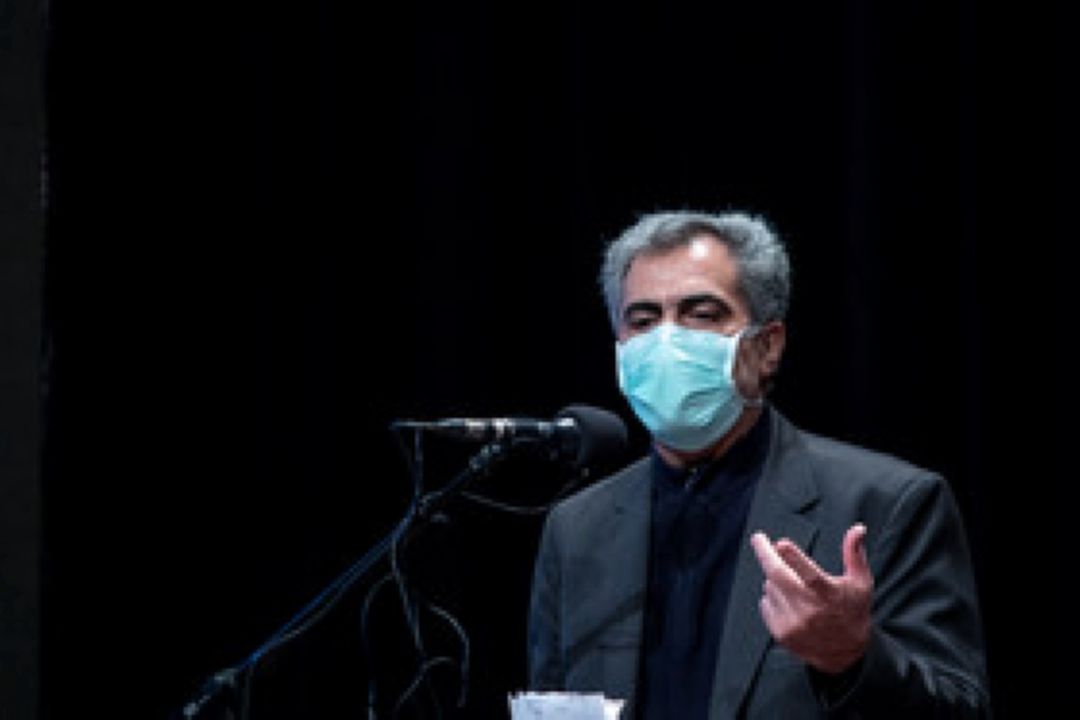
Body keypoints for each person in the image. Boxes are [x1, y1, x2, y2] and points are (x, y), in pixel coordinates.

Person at [526, 210, 991, 718]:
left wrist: (853, 659)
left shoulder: (886, 504)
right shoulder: (576, 531)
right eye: (642, 320)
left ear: (768, 346)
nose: (666, 341)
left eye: (701, 315)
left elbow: (960, 710)